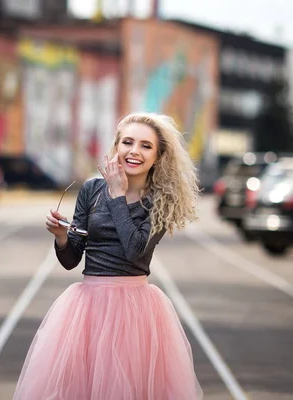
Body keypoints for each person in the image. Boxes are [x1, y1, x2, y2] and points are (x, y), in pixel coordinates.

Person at [13, 113, 202, 399]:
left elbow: (135, 250)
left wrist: (117, 194)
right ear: (116, 147)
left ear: (158, 156)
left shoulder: (162, 200)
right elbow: (71, 260)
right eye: (127, 142)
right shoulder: (91, 190)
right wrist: (62, 237)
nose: (134, 151)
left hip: (135, 313)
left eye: (145, 146)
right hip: (86, 309)